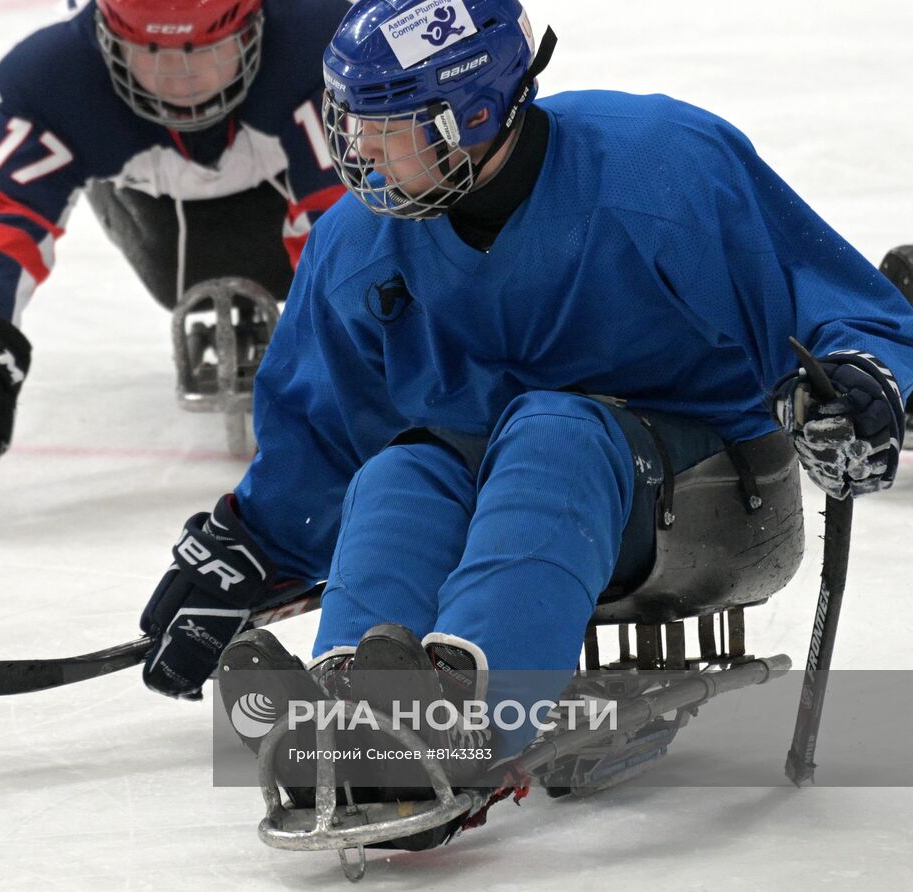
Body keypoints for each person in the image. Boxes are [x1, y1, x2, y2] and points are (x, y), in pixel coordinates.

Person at [136, 0, 913, 848]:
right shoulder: (358, 243)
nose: (359, 152)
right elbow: (323, 433)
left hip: (712, 489)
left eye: (389, 128)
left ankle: (467, 725)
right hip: (505, 483)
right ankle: (353, 709)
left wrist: (859, 384)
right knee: (404, 469)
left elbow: (835, 302)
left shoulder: (659, 168)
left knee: (553, 430)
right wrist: (253, 547)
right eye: (352, 124)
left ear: (473, 116)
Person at [0, 0, 349, 482]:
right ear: (103, 33)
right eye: (151, 50)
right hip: (153, 215)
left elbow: (353, 224)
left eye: (204, 50)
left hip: (289, 180)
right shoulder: (57, 78)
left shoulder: (323, 51)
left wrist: (350, 342)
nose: (181, 78)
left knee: (355, 232)